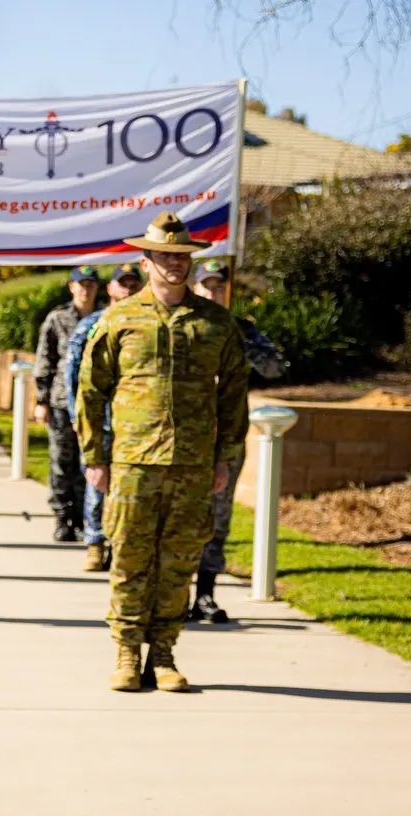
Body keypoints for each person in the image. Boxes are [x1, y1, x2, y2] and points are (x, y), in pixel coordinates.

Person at [77, 213, 249, 693]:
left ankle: (165, 653)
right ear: (146, 259)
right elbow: (91, 390)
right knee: (130, 556)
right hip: (133, 460)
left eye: (181, 257)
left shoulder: (216, 323)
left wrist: (225, 457)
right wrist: (95, 455)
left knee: (178, 559)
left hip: (192, 463)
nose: (174, 264)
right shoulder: (120, 318)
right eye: (164, 256)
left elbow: (234, 393)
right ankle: (127, 652)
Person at [187, 258, 287, 623]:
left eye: (219, 285)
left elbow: (275, 368)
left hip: (226, 438)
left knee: (218, 517)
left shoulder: (242, 329)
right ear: (195, 287)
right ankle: (176, 595)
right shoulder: (184, 324)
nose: (213, 291)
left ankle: (206, 595)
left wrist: (242, 344)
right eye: (207, 284)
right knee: (182, 519)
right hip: (185, 439)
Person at [63, 262, 145, 572]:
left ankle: (123, 546)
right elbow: (74, 376)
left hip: (136, 426)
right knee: (98, 483)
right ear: (109, 289)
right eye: (122, 284)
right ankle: (95, 544)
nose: (128, 289)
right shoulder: (93, 325)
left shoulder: (147, 324)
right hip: (101, 420)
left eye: (133, 283)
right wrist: (77, 416)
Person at [34, 266, 100, 541]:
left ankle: (85, 518)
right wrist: (41, 400)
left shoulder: (105, 317)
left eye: (90, 285)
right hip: (61, 400)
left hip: (94, 402)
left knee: (90, 462)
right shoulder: (58, 318)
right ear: (71, 287)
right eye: (80, 284)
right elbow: (45, 359)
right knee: (61, 462)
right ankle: (62, 517)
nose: (86, 289)